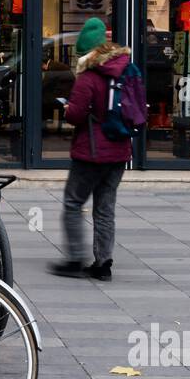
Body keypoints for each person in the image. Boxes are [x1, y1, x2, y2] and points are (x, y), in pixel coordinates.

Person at [50, 17, 137, 281]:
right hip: (120, 150)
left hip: (91, 151)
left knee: (73, 202)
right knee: (105, 208)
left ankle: (75, 259)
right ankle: (103, 263)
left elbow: (75, 115)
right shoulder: (126, 68)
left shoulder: (89, 77)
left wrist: (68, 109)